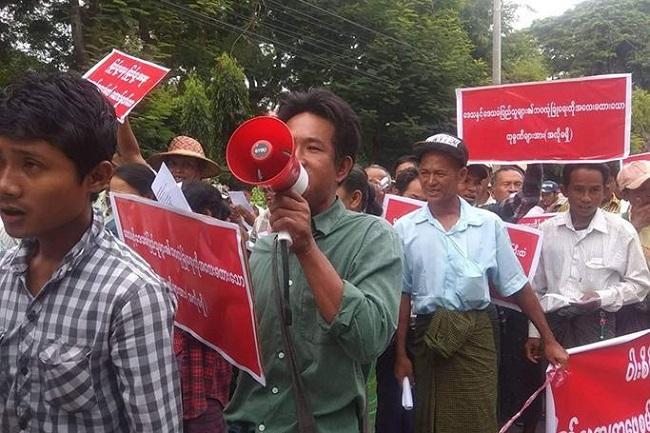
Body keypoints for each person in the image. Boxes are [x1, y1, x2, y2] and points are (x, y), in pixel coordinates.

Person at [0, 72, 181, 431]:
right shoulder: (4, 274)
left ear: (97, 177)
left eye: (31, 165)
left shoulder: (132, 295)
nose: (6, 184)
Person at [225, 89, 403, 433]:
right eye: (288, 148)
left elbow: (369, 339)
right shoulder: (262, 248)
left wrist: (307, 249)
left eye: (313, 148)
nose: (297, 159)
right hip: (245, 423)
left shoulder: (373, 237)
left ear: (342, 169)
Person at [393, 133, 567, 433]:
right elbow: (403, 295)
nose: (431, 181)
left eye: (440, 173)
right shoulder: (405, 228)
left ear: (461, 175)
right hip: (428, 339)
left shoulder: (488, 225)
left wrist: (548, 337)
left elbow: (517, 286)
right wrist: (400, 355)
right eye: (424, 173)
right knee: (431, 420)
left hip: (477, 337)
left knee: (478, 417)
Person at [526, 163, 650, 354]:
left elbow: (639, 284)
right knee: (555, 381)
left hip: (599, 323)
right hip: (553, 325)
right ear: (564, 190)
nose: (586, 198)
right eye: (578, 190)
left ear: (605, 190)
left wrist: (602, 297)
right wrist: (534, 332)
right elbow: (536, 288)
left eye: (594, 190)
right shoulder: (546, 231)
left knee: (596, 379)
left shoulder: (622, 231)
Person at [177, 180, 234, 433]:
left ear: (205, 215)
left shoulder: (226, 256)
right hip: (176, 377)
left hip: (204, 379)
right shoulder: (176, 247)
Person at [614, 161, 650, 334]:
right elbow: (610, 267)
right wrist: (633, 227)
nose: (649, 194)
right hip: (632, 310)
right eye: (641, 189)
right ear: (625, 194)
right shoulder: (616, 225)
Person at [148, 135, 220, 183]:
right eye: (173, 164)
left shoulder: (207, 203)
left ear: (199, 172)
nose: (178, 170)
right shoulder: (151, 197)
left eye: (187, 165)